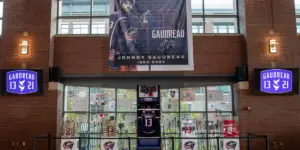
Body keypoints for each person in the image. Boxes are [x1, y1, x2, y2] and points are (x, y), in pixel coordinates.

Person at [109, 0, 150, 71]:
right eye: (125, 3)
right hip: (120, 56)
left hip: (131, 56)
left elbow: (135, 36)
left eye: (130, 3)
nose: (128, 5)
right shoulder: (116, 16)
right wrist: (111, 55)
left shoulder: (132, 18)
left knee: (135, 79)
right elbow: (112, 36)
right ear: (121, 4)